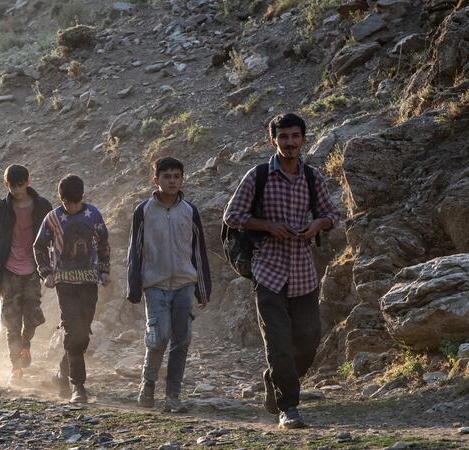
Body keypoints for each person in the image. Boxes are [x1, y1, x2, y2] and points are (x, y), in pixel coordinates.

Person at [223, 113, 339, 429]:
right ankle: (289, 407)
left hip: (303, 272)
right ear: (272, 140)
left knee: (309, 341)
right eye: (283, 137)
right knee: (278, 344)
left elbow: (332, 214)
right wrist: (268, 226)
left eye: (295, 136)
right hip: (268, 271)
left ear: (303, 139)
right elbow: (232, 215)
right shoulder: (258, 176)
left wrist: (317, 224)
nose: (289, 142)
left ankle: (274, 379)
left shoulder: (313, 178)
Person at [126, 157, 211, 413]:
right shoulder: (143, 211)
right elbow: (135, 251)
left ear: (182, 179)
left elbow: (198, 251)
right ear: (156, 180)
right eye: (167, 176)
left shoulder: (189, 211)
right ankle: (148, 385)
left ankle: (173, 395)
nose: (172, 181)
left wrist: (203, 288)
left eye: (176, 176)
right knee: (158, 337)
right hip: (155, 284)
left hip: (185, 283)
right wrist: (134, 287)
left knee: (182, 340)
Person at [34, 174, 110, 404]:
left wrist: (104, 269)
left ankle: (61, 373)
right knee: (72, 330)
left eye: (77, 202)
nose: (73, 207)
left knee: (83, 332)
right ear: (61, 199)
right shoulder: (53, 218)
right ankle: (78, 385)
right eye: (68, 203)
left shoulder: (93, 214)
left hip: (89, 281)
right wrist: (46, 272)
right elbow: (38, 246)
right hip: (64, 283)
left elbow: (103, 241)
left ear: (83, 197)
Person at [0, 164, 53, 385]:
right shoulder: (0, 209)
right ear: (6, 185)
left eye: (20, 185)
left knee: (32, 317)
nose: (16, 190)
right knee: (12, 321)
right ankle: (16, 368)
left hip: (34, 270)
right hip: (8, 272)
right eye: (12, 186)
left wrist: (51, 267)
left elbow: (53, 237)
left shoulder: (43, 206)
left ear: (28, 182)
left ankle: (26, 344)